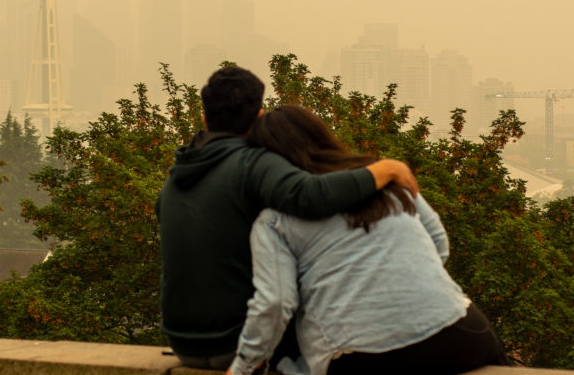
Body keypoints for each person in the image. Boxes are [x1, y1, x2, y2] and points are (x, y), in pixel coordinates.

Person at [157, 67, 419, 371]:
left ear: (204, 119)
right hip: (238, 346)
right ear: (259, 117)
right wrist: (383, 170)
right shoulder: (252, 163)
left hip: (183, 344)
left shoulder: (174, 179)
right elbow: (309, 195)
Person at [227, 104, 509, 375]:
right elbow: (438, 242)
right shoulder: (382, 177)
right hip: (458, 335)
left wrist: (242, 367)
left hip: (360, 356)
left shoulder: (274, 220)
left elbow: (276, 303)